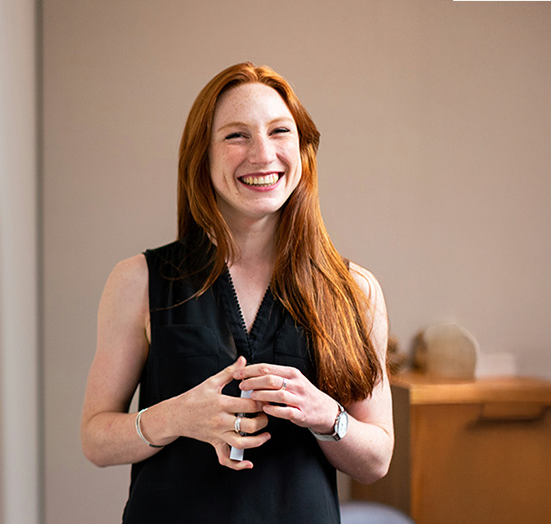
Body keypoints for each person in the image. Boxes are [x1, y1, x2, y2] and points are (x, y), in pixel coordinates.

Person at [81, 62, 394, 523]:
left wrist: (326, 415)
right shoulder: (138, 281)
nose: (263, 154)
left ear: (303, 150)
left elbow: (377, 459)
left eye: (279, 131)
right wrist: (177, 417)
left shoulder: (355, 290)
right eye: (236, 136)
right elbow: (96, 440)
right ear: (201, 157)